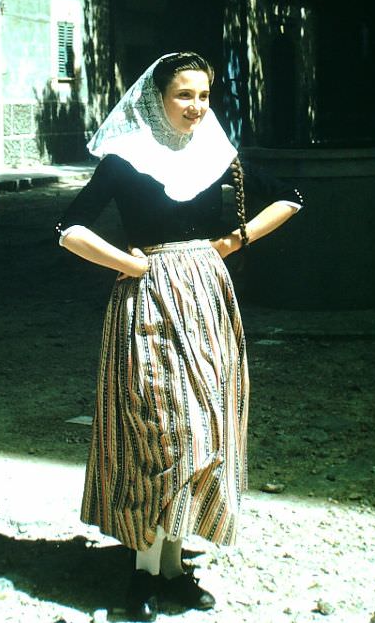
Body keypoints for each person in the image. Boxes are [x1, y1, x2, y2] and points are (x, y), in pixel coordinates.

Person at [56, 52, 303, 621]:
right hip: (148, 304)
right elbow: (67, 228)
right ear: (156, 98)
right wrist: (129, 264)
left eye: (203, 96)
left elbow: (290, 196)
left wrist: (231, 243)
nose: (195, 107)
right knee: (163, 432)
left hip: (208, 302)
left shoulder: (218, 155)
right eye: (183, 95)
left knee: (206, 432)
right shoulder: (126, 159)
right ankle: (144, 574)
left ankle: (173, 568)